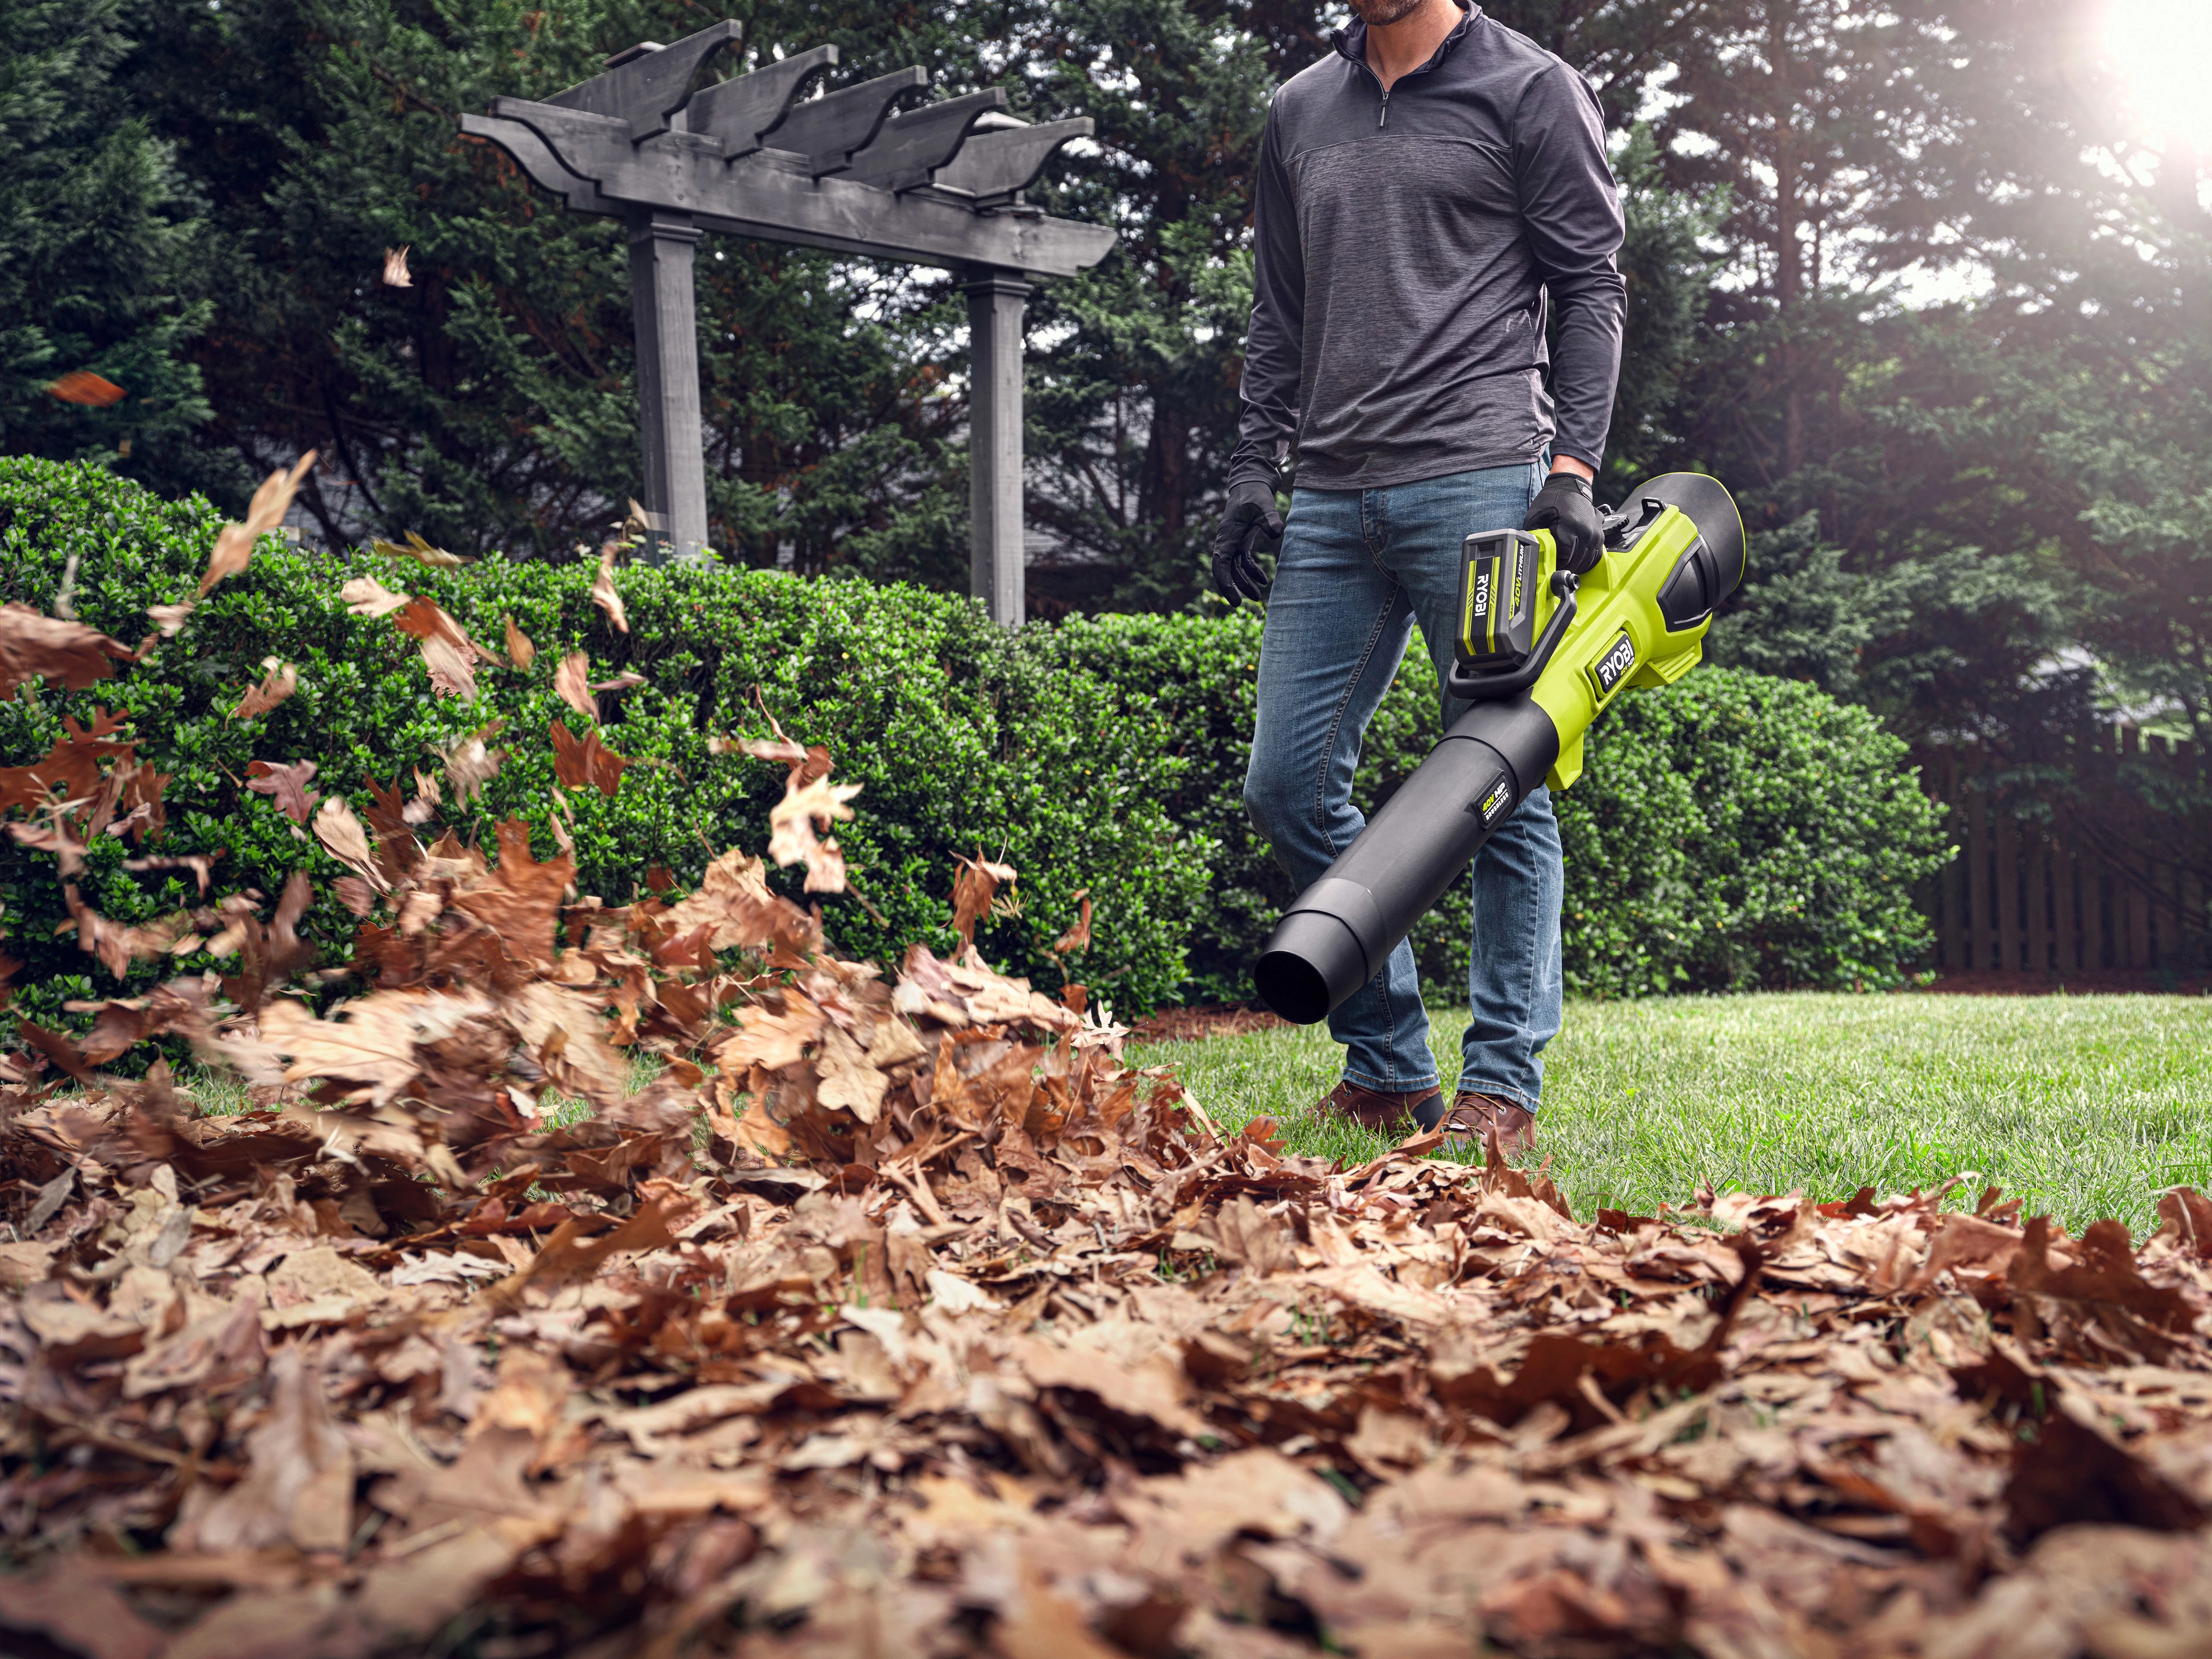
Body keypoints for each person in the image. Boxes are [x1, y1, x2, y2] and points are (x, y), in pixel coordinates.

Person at [1218, 0, 1625, 1157]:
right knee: (1286, 784)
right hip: (1334, 497)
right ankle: (1393, 1066)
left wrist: (1572, 471)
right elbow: (1280, 317)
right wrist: (1255, 468)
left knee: (1500, 789)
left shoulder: (1530, 87)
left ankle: (1502, 1089)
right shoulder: (1301, 110)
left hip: (1484, 482)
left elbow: (1592, 282)